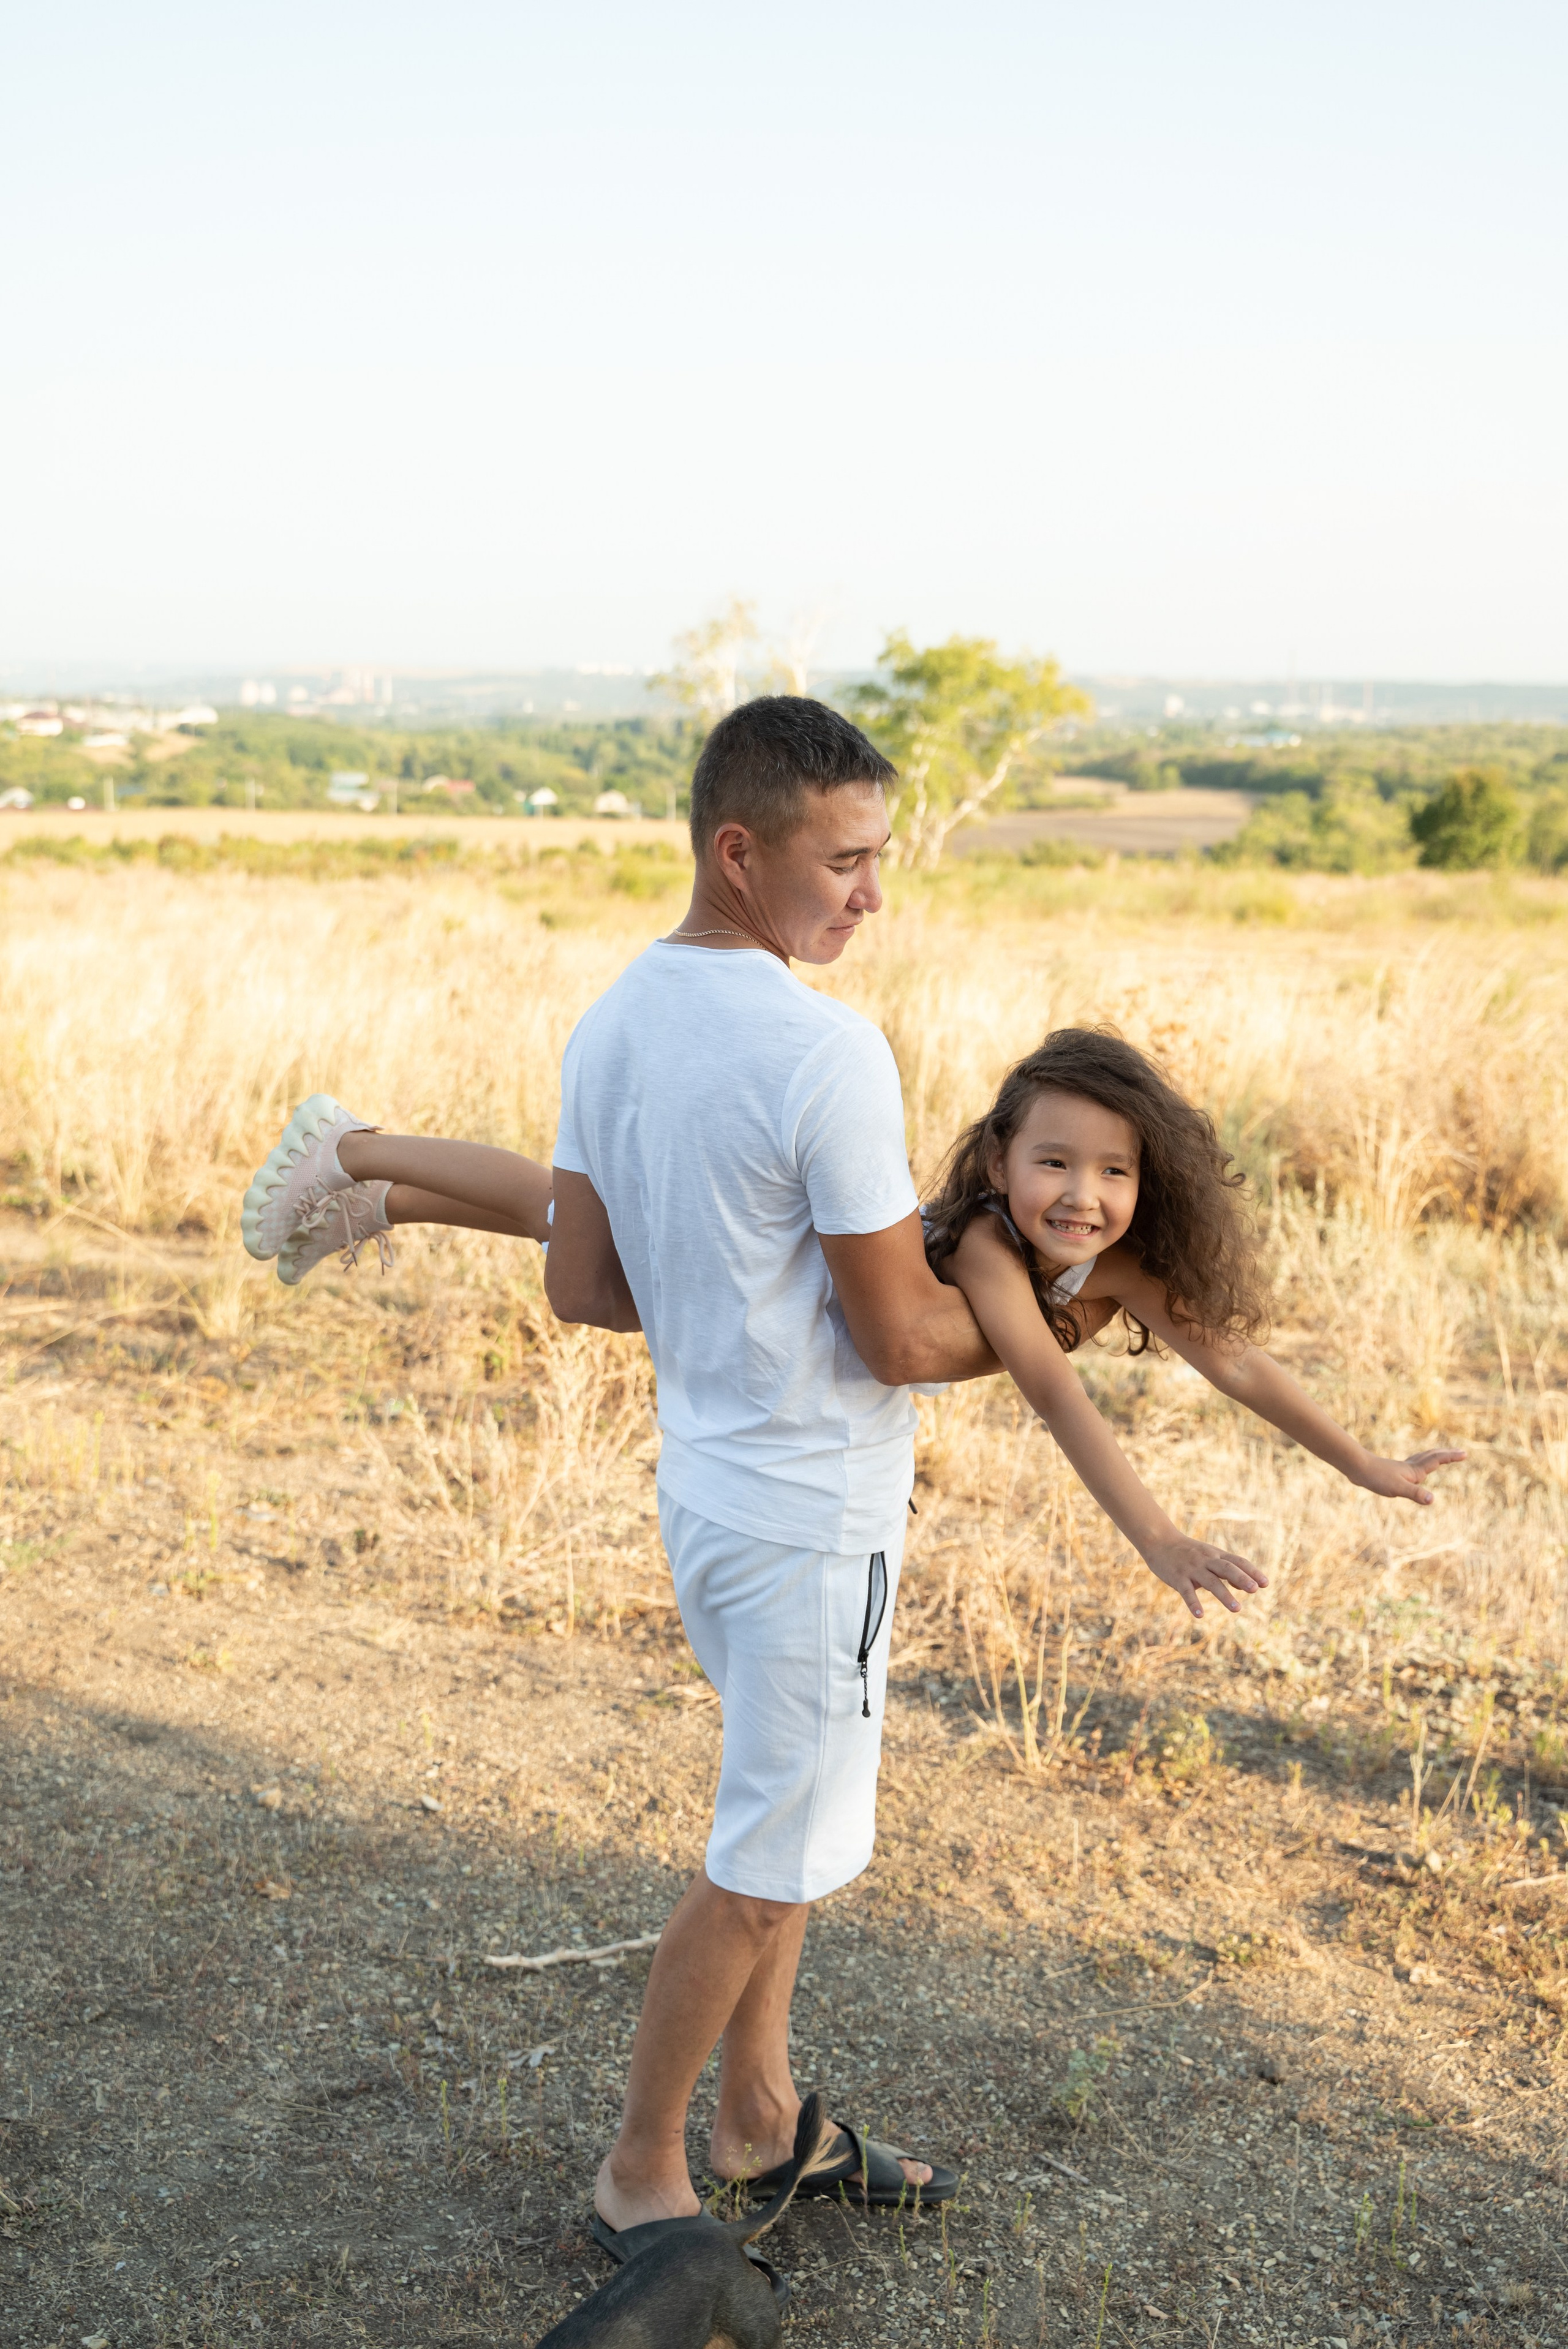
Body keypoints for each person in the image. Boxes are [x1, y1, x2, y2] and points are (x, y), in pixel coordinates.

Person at [921, 1025, 1466, 1604]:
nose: (1083, 1195)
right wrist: (1161, 1540)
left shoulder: (1115, 1263)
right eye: (1055, 1162)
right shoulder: (985, 1242)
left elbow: (1235, 1364)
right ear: (999, 1163)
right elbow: (1056, 1394)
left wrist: (1358, 1462)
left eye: (1113, 1170)